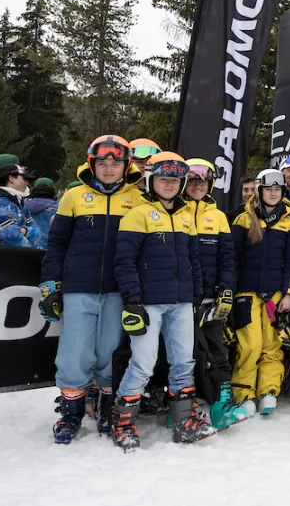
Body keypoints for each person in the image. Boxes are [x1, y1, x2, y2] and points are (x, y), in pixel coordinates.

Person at [39, 135, 144, 444]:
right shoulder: (73, 197)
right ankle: (70, 413)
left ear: (126, 166)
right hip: (78, 288)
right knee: (74, 353)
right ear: (91, 165)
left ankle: (106, 406)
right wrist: (50, 283)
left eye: (115, 163)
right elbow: (56, 243)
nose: (108, 169)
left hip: (117, 290)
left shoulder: (137, 200)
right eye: (102, 163)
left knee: (110, 351)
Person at [112, 152, 216, 451]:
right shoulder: (138, 214)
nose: (169, 185)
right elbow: (124, 260)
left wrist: (196, 293)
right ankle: (123, 422)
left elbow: (193, 260)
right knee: (143, 363)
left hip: (181, 302)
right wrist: (132, 297)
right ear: (151, 180)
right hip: (147, 302)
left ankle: (185, 422)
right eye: (163, 179)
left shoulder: (186, 217)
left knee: (184, 361)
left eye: (174, 180)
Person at [181, 158, 246, 431]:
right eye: (193, 180)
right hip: (180, 300)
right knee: (182, 354)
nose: (197, 186)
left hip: (210, 299)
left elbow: (227, 259)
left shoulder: (217, 216)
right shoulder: (174, 210)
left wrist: (226, 291)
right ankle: (182, 404)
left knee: (218, 350)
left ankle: (222, 402)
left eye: (202, 181)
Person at [230, 169, 290, 417]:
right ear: (260, 191)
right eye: (269, 189)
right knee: (250, 345)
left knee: (272, 346)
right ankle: (244, 393)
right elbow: (232, 259)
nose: (273, 194)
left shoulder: (288, 222)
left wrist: (289, 293)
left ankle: (268, 390)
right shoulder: (243, 219)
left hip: (274, 296)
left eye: (277, 190)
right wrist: (228, 291)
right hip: (246, 294)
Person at [0, 163, 42, 248]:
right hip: (2, 258)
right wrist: (33, 251)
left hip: (15, 257)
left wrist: (24, 231)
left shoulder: (19, 202)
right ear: (11, 178)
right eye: (24, 178)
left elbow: (38, 232)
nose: (27, 182)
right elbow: (12, 237)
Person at [26, 177, 59, 249]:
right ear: (53, 190)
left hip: (26, 248)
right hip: (50, 250)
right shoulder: (58, 208)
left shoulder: (22, 206)